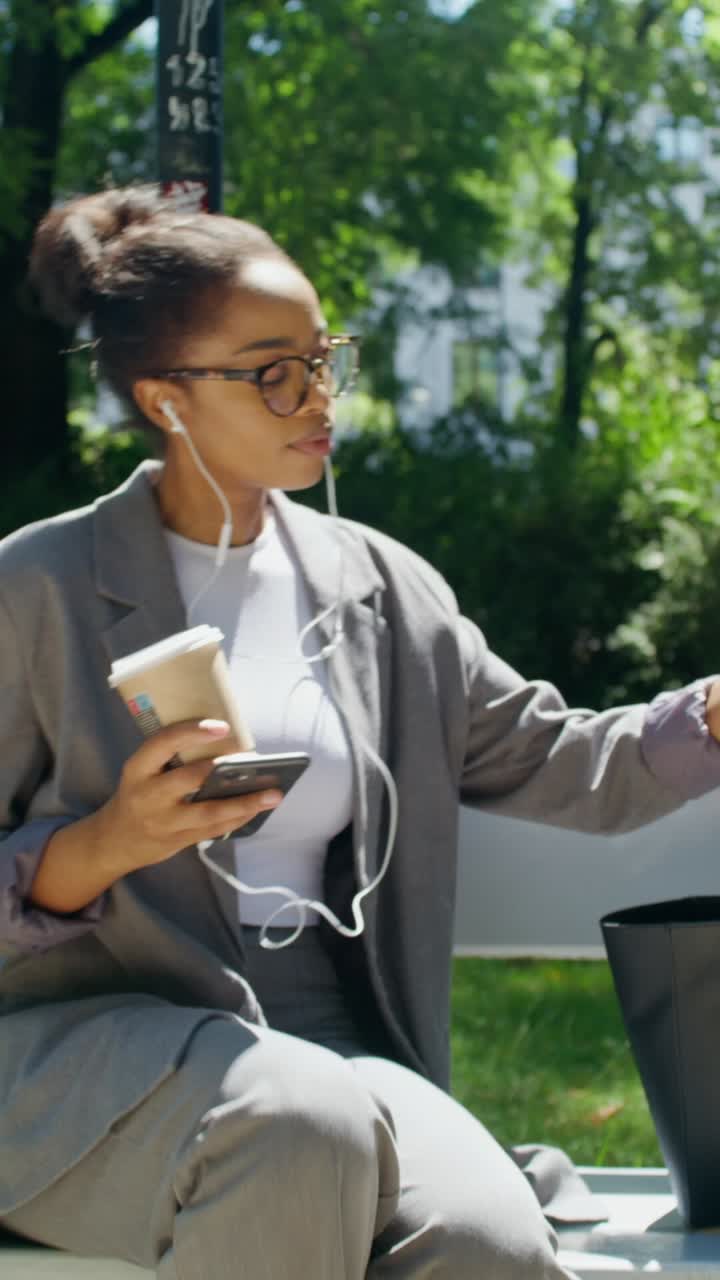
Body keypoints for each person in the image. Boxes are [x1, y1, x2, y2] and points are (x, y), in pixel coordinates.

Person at [1, 185, 719, 1280]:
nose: (314, 395)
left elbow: (567, 762)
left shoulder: (383, 588)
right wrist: (105, 842)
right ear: (164, 397)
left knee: (488, 1242)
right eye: (268, 369)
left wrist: (707, 715)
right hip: (76, 1054)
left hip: (331, 1048)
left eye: (321, 356)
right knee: (296, 1126)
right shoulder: (36, 587)